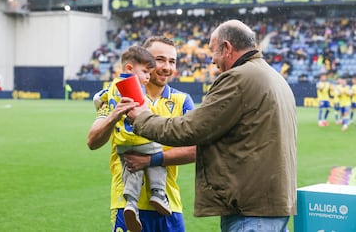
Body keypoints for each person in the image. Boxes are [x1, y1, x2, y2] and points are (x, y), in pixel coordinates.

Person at [127, 20, 297, 232]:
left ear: (227, 48)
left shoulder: (239, 78)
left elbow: (191, 129)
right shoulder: (274, 77)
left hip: (250, 210)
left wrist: (141, 118)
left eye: (213, 51)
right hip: (272, 205)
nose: (212, 60)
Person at [87, 36, 196, 232]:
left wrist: (151, 160)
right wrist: (114, 115)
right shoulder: (115, 94)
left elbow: (196, 150)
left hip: (167, 204)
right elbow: (92, 141)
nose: (167, 67)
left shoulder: (182, 101)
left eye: (172, 61)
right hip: (126, 205)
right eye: (160, 60)